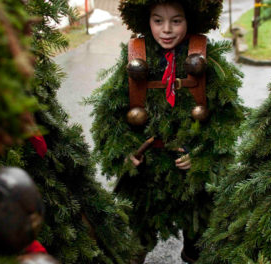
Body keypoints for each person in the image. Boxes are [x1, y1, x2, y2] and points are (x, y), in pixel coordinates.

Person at [88, 0, 243, 262]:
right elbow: (108, 117)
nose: (167, 29)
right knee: (132, 248)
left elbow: (225, 120)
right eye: (158, 20)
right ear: (145, 19)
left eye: (176, 20)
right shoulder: (136, 58)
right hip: (145, 174)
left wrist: (203, 157)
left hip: (192, 177)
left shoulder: (205, 59)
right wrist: (125, 152)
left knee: (201, 247)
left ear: (190, 18)